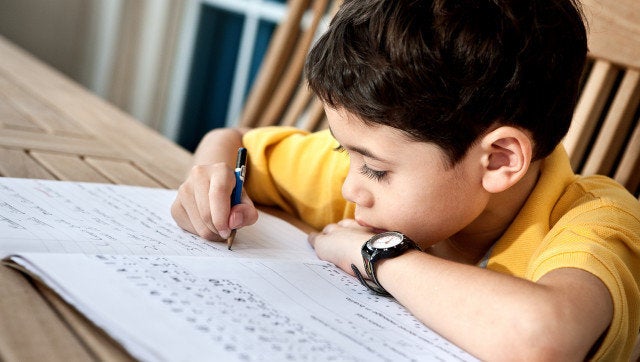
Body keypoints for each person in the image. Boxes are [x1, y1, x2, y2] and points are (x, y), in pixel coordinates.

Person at [171, 0, 640, 359]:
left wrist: (372, 254)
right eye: (343, 150)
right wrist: (211, 179)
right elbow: (233, 140)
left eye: (374, 168)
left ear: (498, 160)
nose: (349, 188)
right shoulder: (374, 172)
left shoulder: (596, 222)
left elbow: (541, 340)